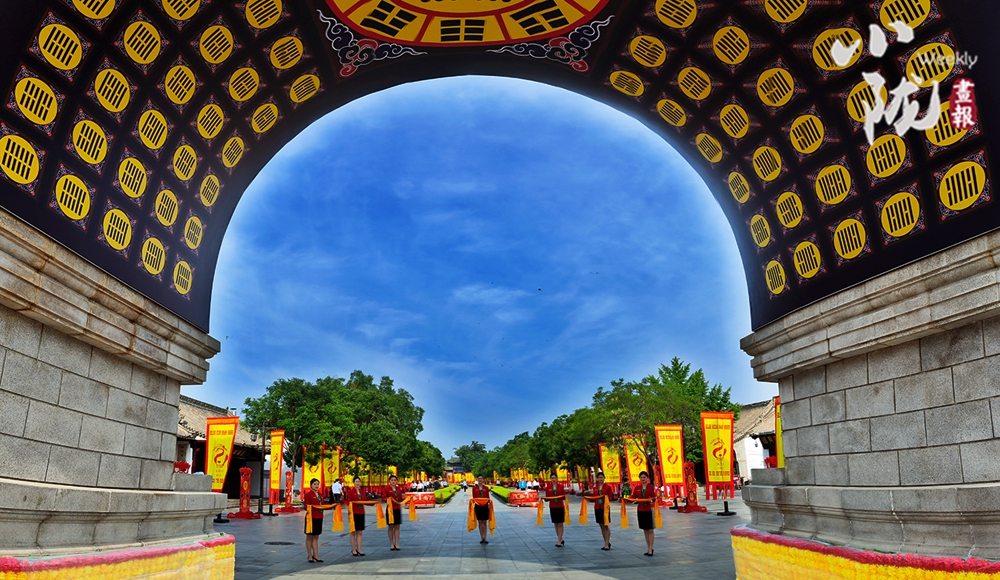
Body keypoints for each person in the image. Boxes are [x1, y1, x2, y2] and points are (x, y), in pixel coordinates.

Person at [303, 478, 330, 563]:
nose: (316, 486)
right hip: (311, 518)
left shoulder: (320, 494)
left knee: (316, 536)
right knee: (309, 536)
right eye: (314, 484)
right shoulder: (308, 494)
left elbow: (322, 505)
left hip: (319, 517)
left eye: (318, 484)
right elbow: (305, 506)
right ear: (311, 485)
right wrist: (312, 507)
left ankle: (316, 555)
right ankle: (310, 555)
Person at [343, 476, 367, 556]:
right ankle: (353, 549)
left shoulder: (362, 491)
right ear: (353, 483)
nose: (358, 483)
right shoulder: (350, 492)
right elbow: (348, 501)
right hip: (354, 513)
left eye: (359, 482)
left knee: (360, 532)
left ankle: (359, 549)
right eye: (356, 482)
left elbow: (365, 500)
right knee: (353, 532)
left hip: (361, 512)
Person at [635, 471, 657, 556]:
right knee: (645, 529)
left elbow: (654, 496)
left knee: (650, 529)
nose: (643, 479)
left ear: (647, 478)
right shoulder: (637, 488)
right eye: (641, 477)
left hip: (649, 510)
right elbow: (633, 496)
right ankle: (648, 548)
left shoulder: (650, 487)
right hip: (641, 510)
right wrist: (626, 499)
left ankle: (651, 548)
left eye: (644, 477)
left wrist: (654, 499)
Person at [383, 475, 406, 551]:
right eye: (392, 480)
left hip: (397, 509)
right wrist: (388, 499)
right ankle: (391, 544)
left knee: (397, 526)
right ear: (389, 481)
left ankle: (397, 543)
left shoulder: (398, 489)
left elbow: (401, 498)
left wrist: (406, 498)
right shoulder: (386, 489)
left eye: (395, 480)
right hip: (390, 510)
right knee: (391, 526)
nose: (393, 481)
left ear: (396, 481)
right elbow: (383, 498)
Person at [544, 473, 567, 547]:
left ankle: (559, 541)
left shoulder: (561, 487)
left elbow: (564, 497)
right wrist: (545, 499)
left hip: (560, 506)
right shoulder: (548, 488)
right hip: (552, 506)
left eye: (555, 478)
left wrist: (561, 496)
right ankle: (560, 538)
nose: (553, 480)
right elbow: (547, 498)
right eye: (552, 478)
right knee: (556, 523)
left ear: (557, 479)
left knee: (560, 523)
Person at [592, 472, 612, 550]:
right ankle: (606, 542)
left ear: (604, 478)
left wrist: (605, 497)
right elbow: (593, 497)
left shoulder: (608, 487)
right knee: (601, 525)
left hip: (605, 508)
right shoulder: (595, 487)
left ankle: (607, 543)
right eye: (599, 477)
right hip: (597, 507)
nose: (600, 479)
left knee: (605, 525)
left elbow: (611, 497)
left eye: (602, 477)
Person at [471, 475, 492, 544]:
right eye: (479, 478)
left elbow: (488, 497)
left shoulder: (486, 488)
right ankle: (481, 537)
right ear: (477, 479)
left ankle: (485, 537)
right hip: (478, 507)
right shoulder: (474, 488)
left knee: (484, 522)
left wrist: (488, 504)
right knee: (480, 522)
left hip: (485, 506)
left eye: (481, 478)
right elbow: (474, 497)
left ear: (483, 480)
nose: (480, 480)